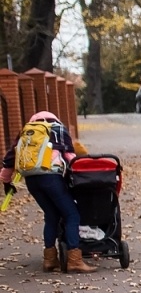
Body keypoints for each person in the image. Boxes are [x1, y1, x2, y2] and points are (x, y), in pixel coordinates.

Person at [0, 110, 96, 273]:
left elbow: (10, 159)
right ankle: (75, 260)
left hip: (31, 180)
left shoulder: (26, 132)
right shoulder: (57, 129)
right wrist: (82, 174)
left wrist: (6, 182)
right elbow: (70, 157)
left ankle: (50, 260)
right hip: (51, 177)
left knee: (51, 215)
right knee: (71, 215)